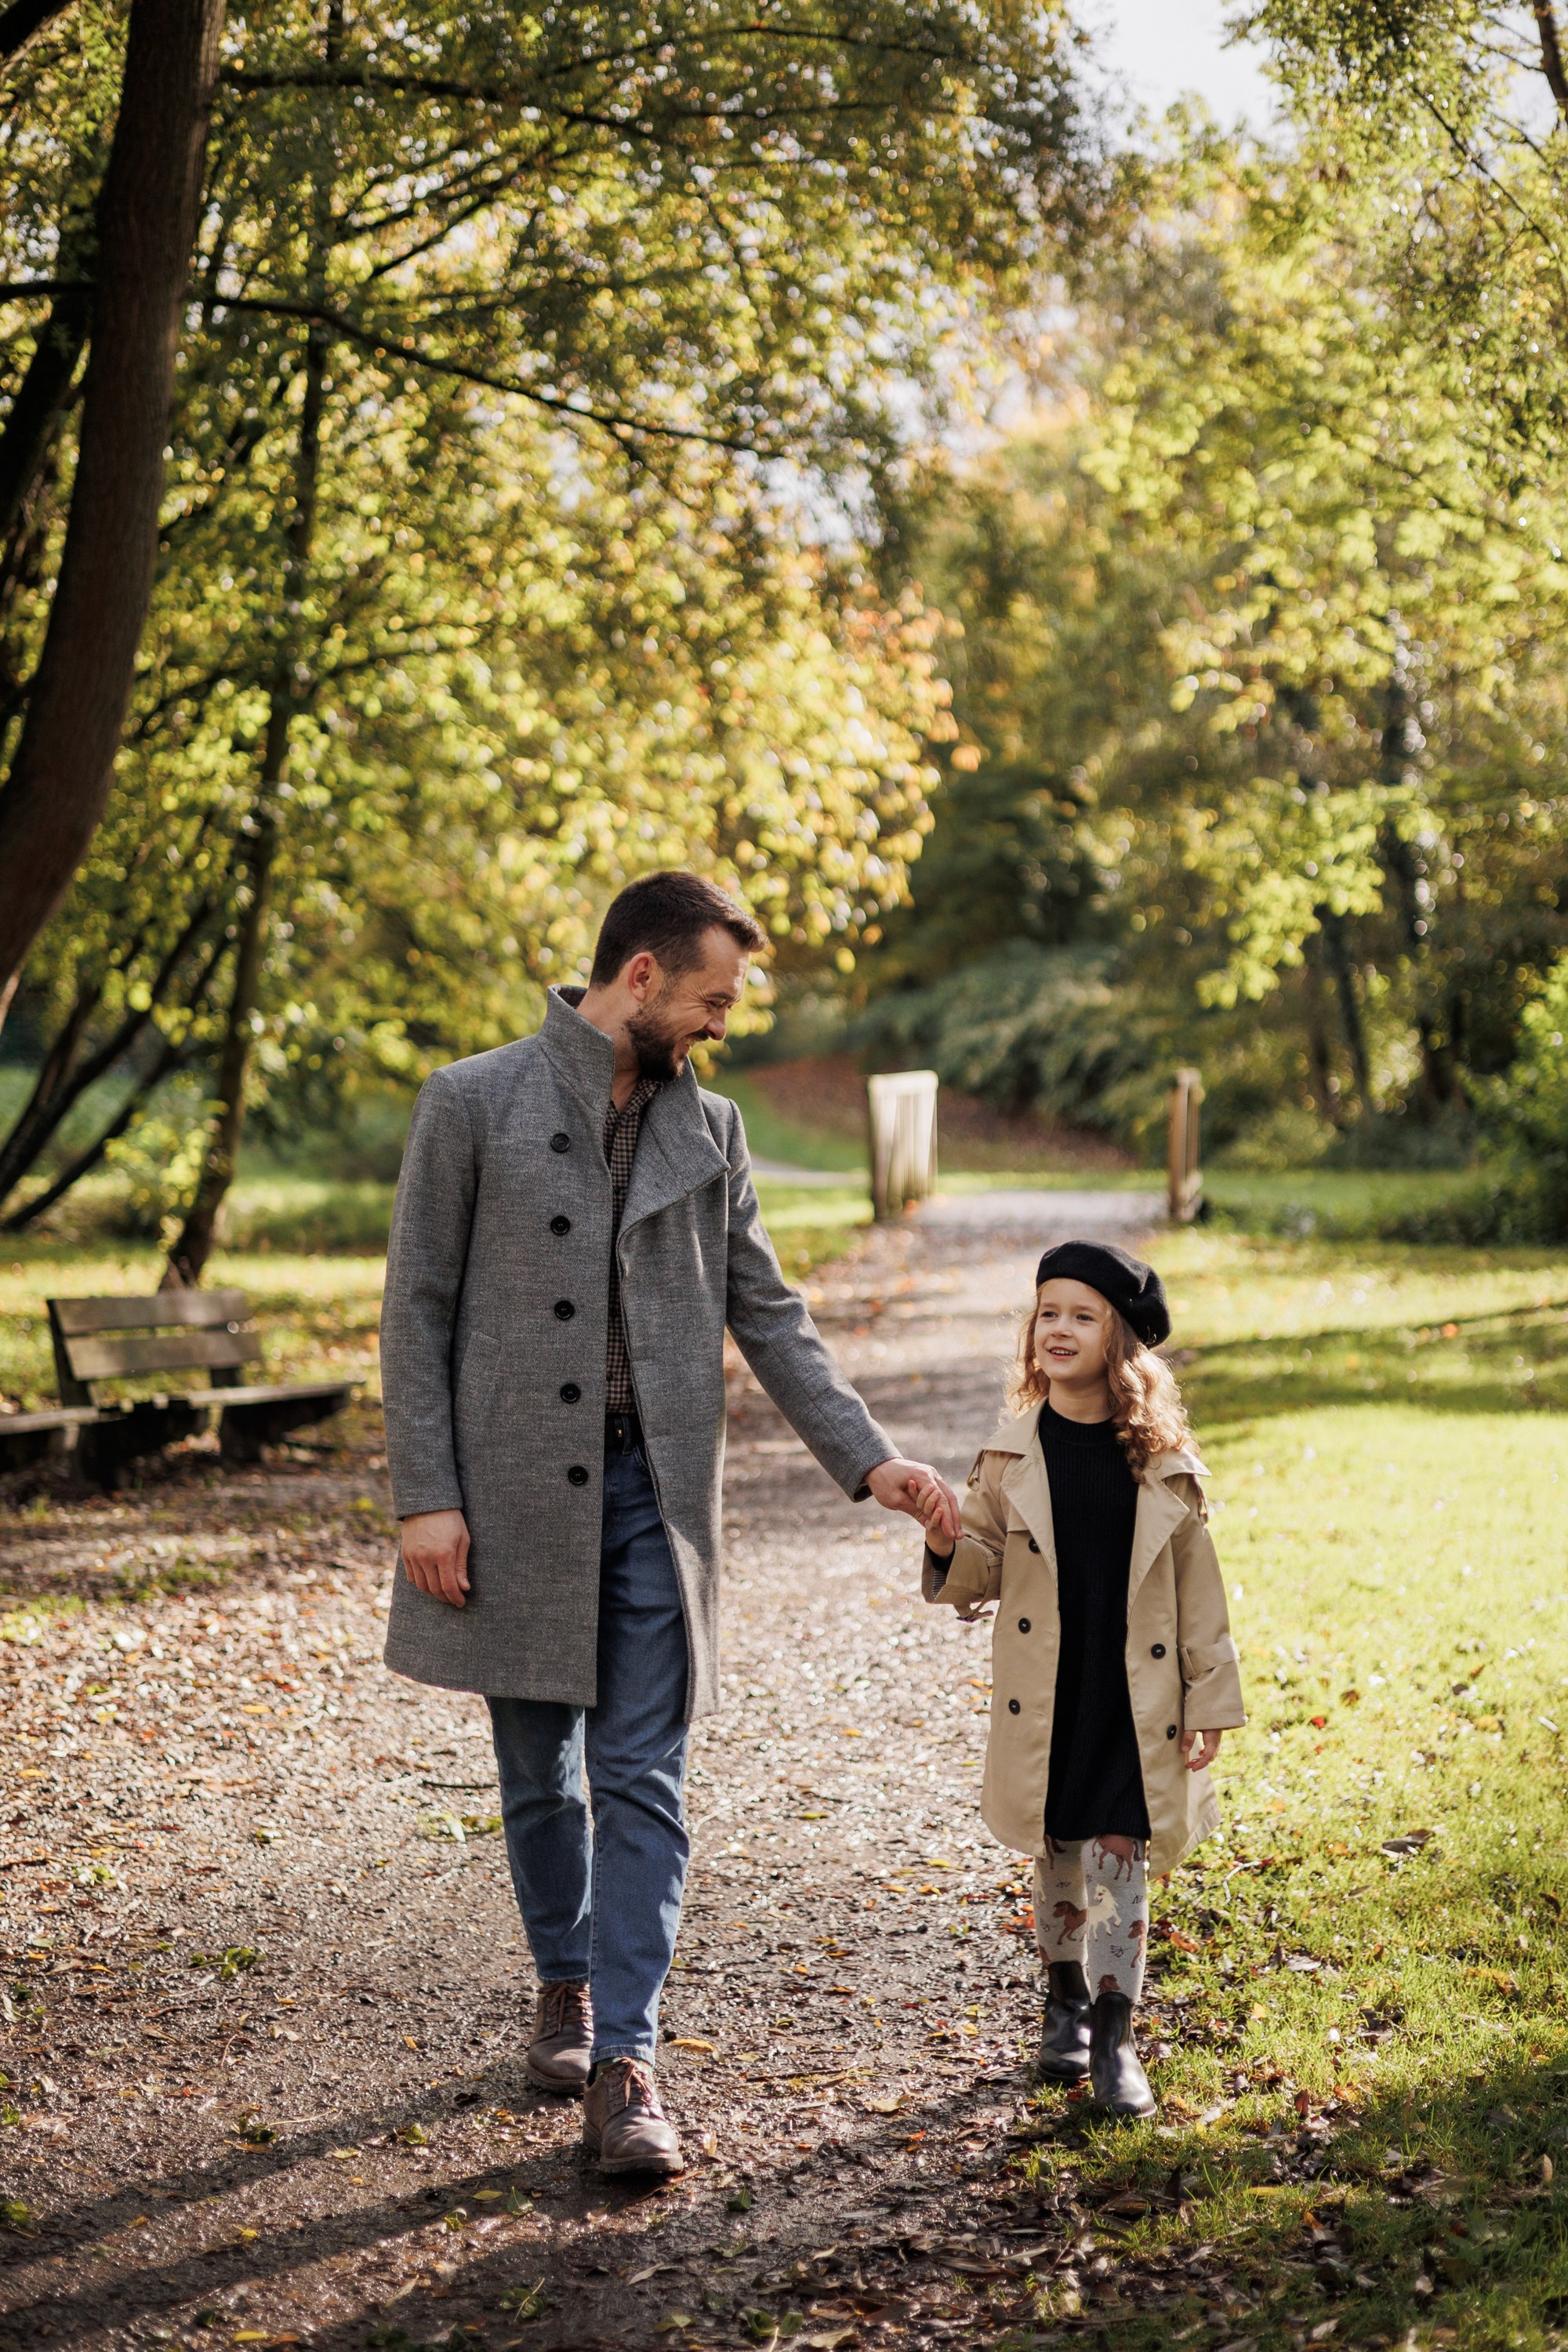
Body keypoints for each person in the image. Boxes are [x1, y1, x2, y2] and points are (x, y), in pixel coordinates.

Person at [379, 870, 960, 2178]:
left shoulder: (715, 1132)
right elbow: (414, 1306)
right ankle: (566, 1982)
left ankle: (627, 2063)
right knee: (541, 1772)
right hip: (511, 1496)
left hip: (655, 1497)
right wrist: (427, 1495)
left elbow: (771, 1313)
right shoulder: (470, 1101)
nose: (718, 1025)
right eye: (711, 999)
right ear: (640, 976)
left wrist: (868, 1460)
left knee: (644, 1772)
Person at [913, 1240, 1244, 2117]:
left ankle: (1114, 2034)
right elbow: (978, 1571)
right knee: (1057, 1842)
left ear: (1120, 1340)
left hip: (1136, 1693)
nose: (1058, 1329)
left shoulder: (1161, 1461)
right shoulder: (1009, 1455)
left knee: (1120, 1852)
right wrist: (946, 1538)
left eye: (1082, 1316)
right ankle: (1063, 2004)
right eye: (1047, 1313)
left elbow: (1200, 1593)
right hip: (1048, 1690)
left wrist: (1208, 1699)